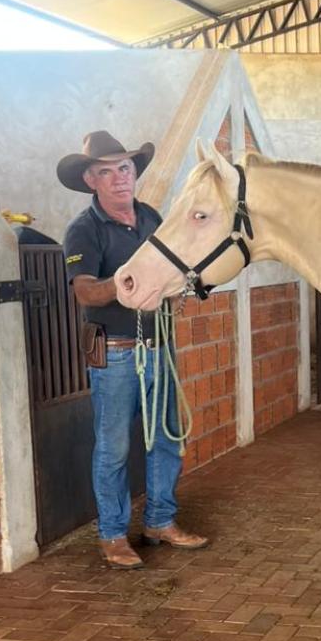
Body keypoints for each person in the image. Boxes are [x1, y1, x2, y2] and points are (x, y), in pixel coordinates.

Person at [59, 131, 208, 569]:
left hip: (159, 345)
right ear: (91, 180)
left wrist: (175, 290)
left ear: (133, 172)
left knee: (167, 439)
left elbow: (167, 271)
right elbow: (85, 292)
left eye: (124, 168)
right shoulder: (83, 230)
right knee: (114, 448)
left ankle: (160, 521)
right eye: (106, 172)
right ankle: (112, 535)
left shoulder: (151, 218)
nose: (119, 178)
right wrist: (123, 282)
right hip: (116, 354)